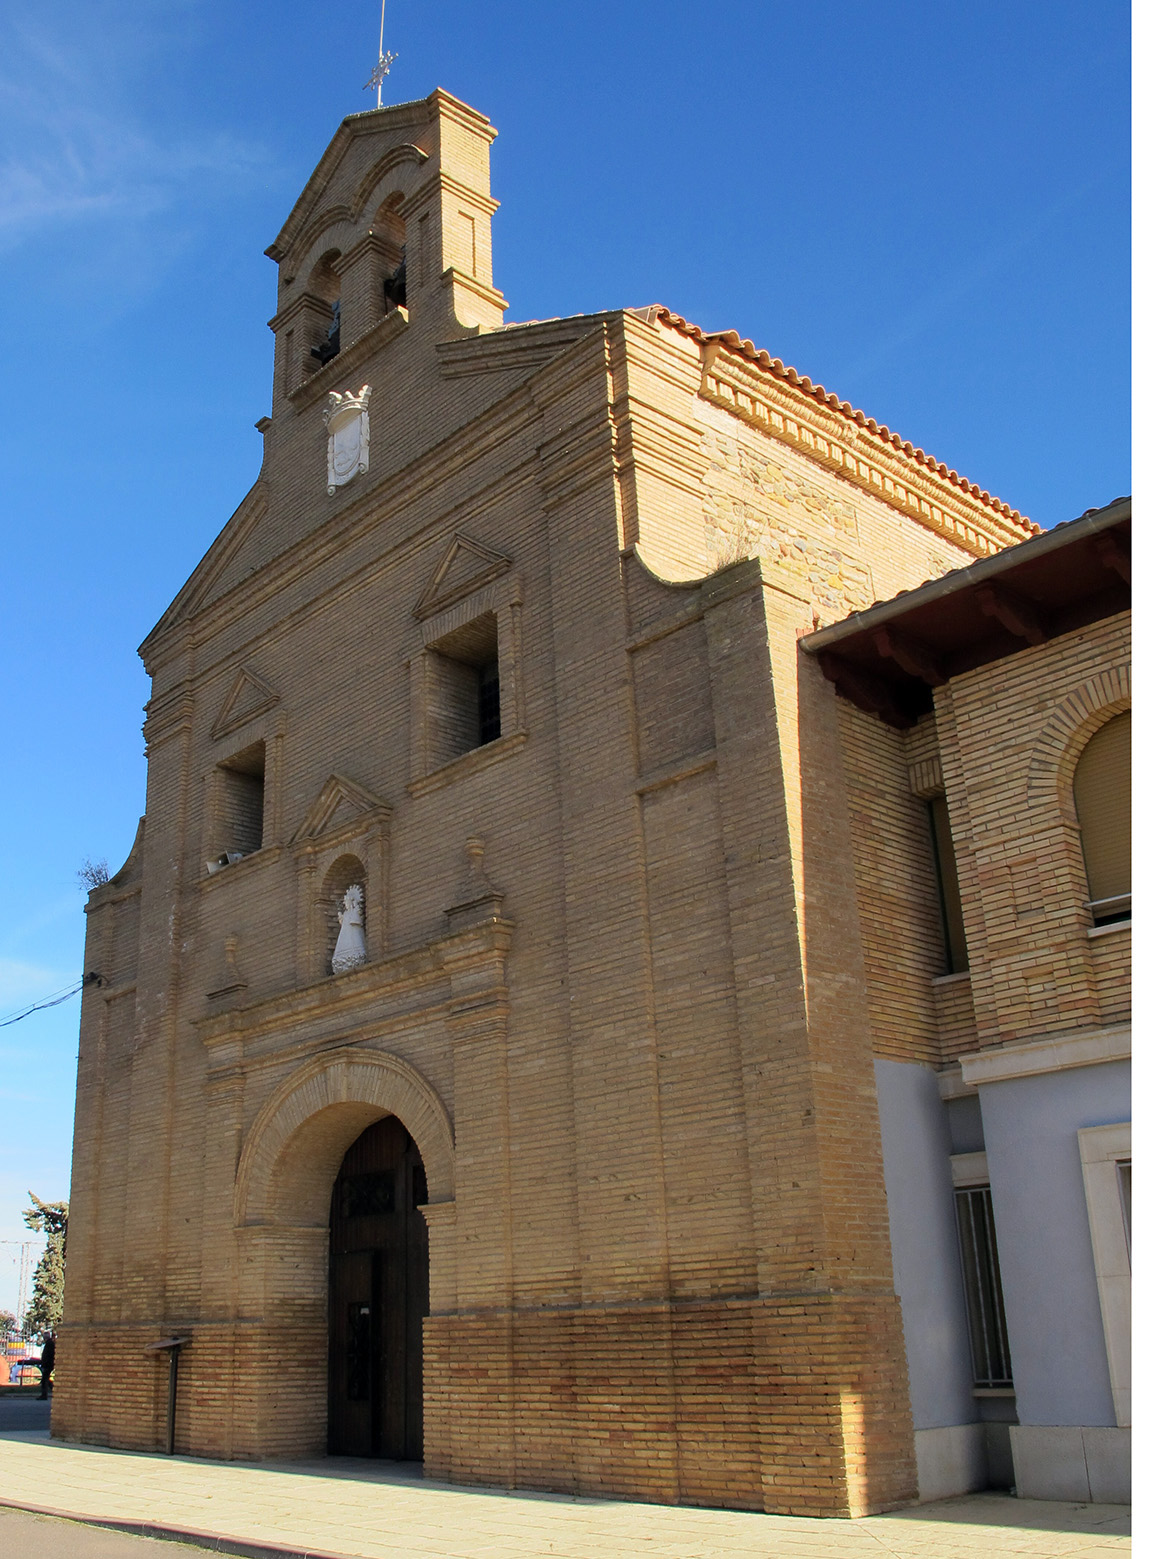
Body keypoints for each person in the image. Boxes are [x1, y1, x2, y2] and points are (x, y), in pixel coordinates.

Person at [37, 1331, 55, 1399]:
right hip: (48, 1364)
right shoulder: (50, 1343)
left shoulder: (49, 1344)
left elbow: (48, 1355)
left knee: (44, 1380)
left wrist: (45, 1362)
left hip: (48, 1364)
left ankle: (44, 1395)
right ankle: (52, 1390)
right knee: (45, 1379)